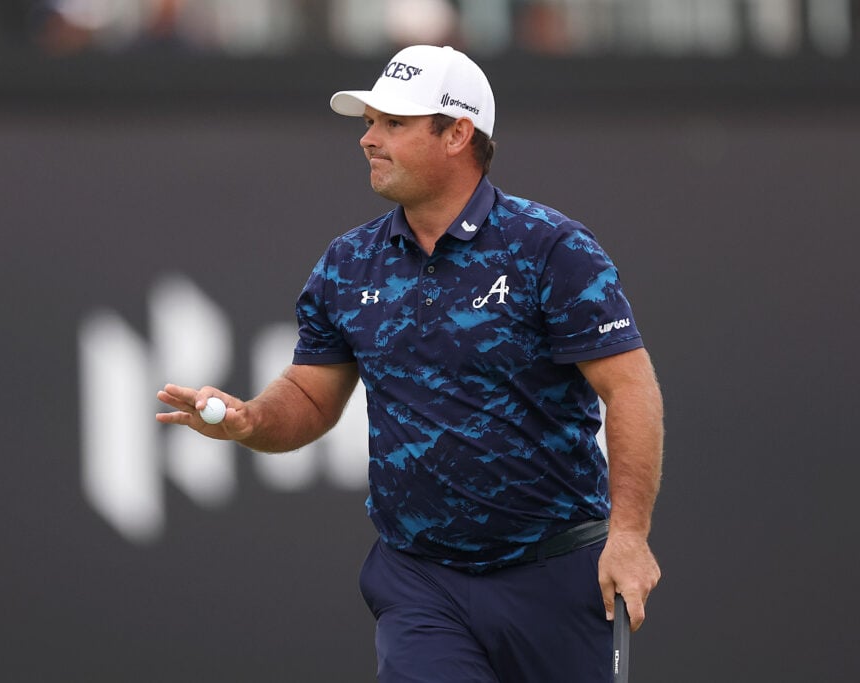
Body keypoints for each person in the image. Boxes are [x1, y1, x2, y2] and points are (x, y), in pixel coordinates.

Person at [156, 44, 663, 682]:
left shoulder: (551, 249)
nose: (368, 139)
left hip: (555, 573)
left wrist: (629, 534)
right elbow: (312, 399)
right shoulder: (347, 263)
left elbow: (630, 390)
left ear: (458, 134)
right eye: (369, 122)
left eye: (393, 124)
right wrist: (251, 420)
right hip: (421, 583)